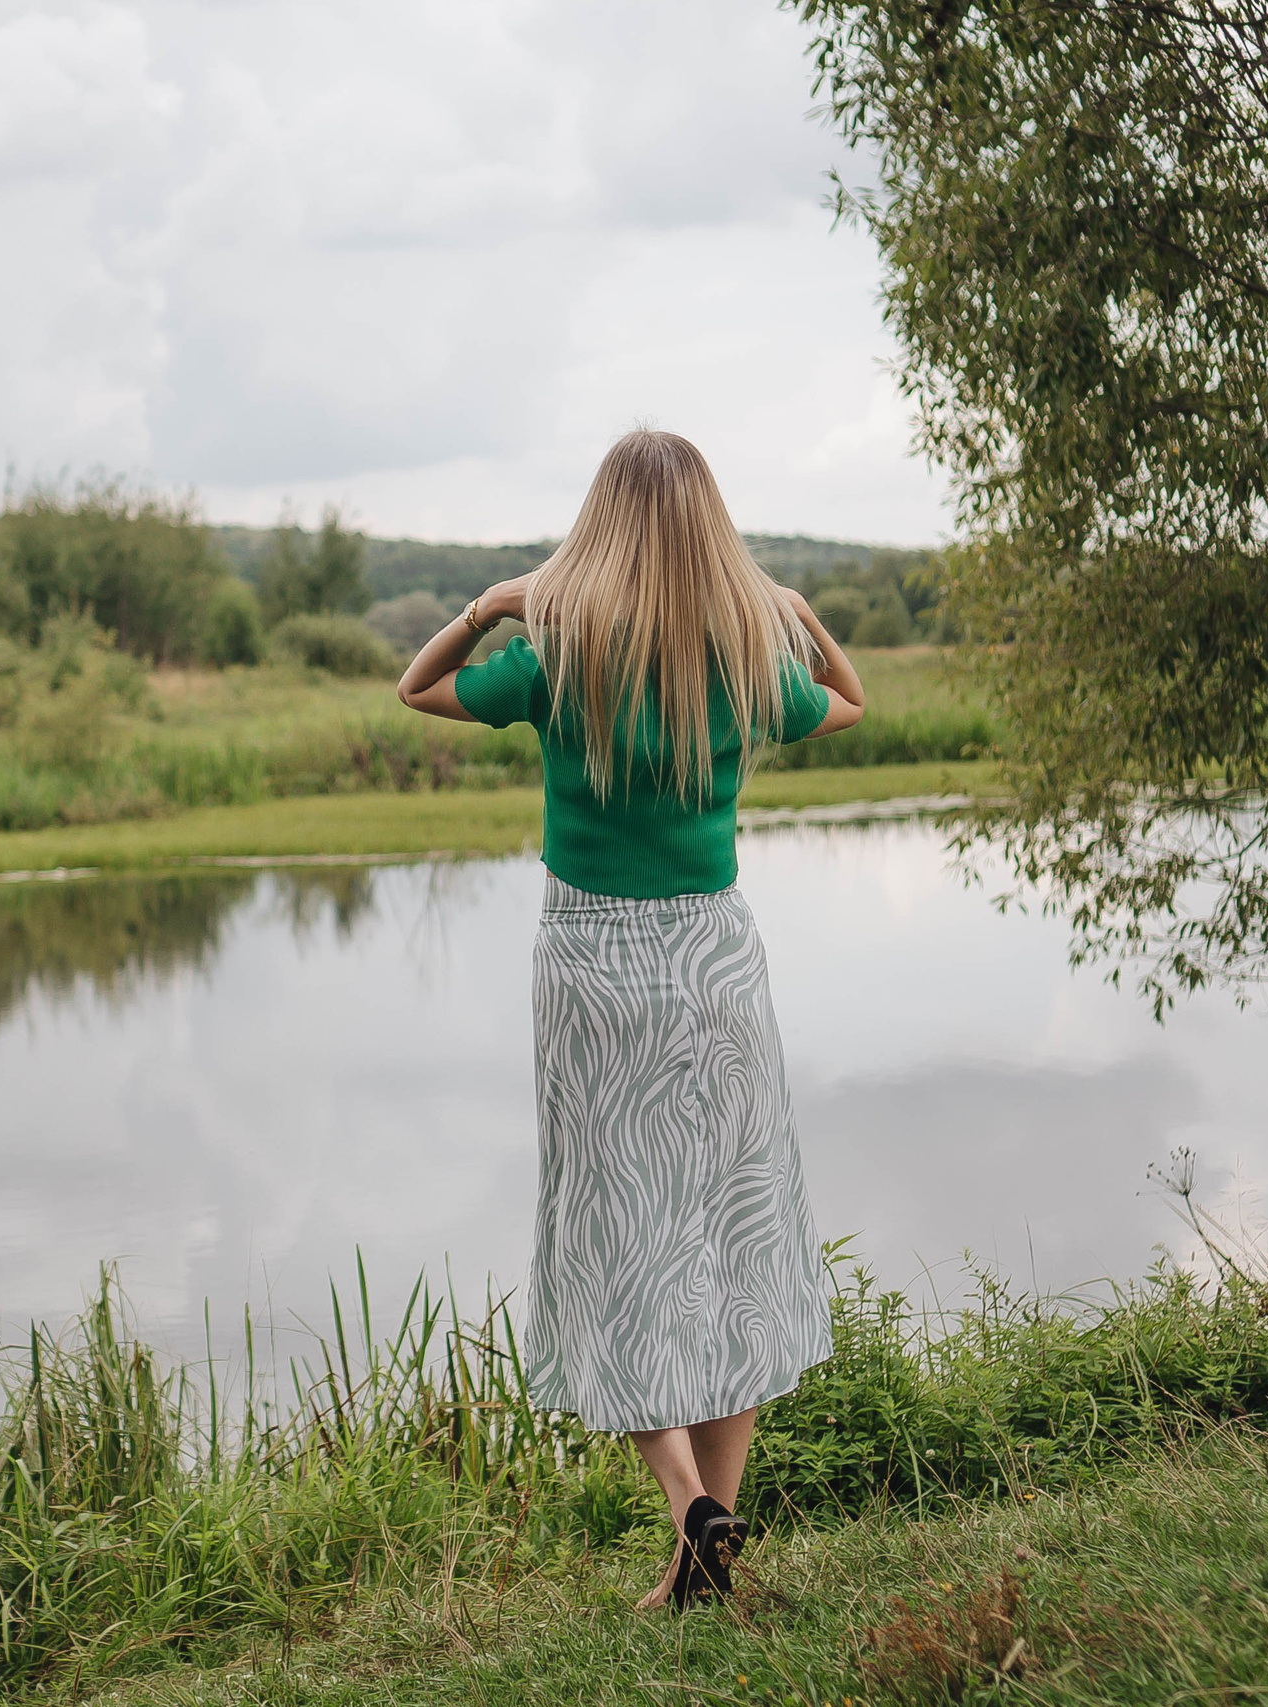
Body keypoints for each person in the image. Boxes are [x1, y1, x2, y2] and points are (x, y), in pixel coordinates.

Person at [396, 428, 865, 1609]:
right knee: (732, 1237)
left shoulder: (561, 658)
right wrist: (797, 614)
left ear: (596, 530)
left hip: (592, 970)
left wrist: (491, 605)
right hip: (715, 967)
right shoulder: (743, 664)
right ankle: (709, 1537)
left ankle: (686, 1510)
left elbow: (418, 688)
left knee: (614, 1240)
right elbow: (852, 703)